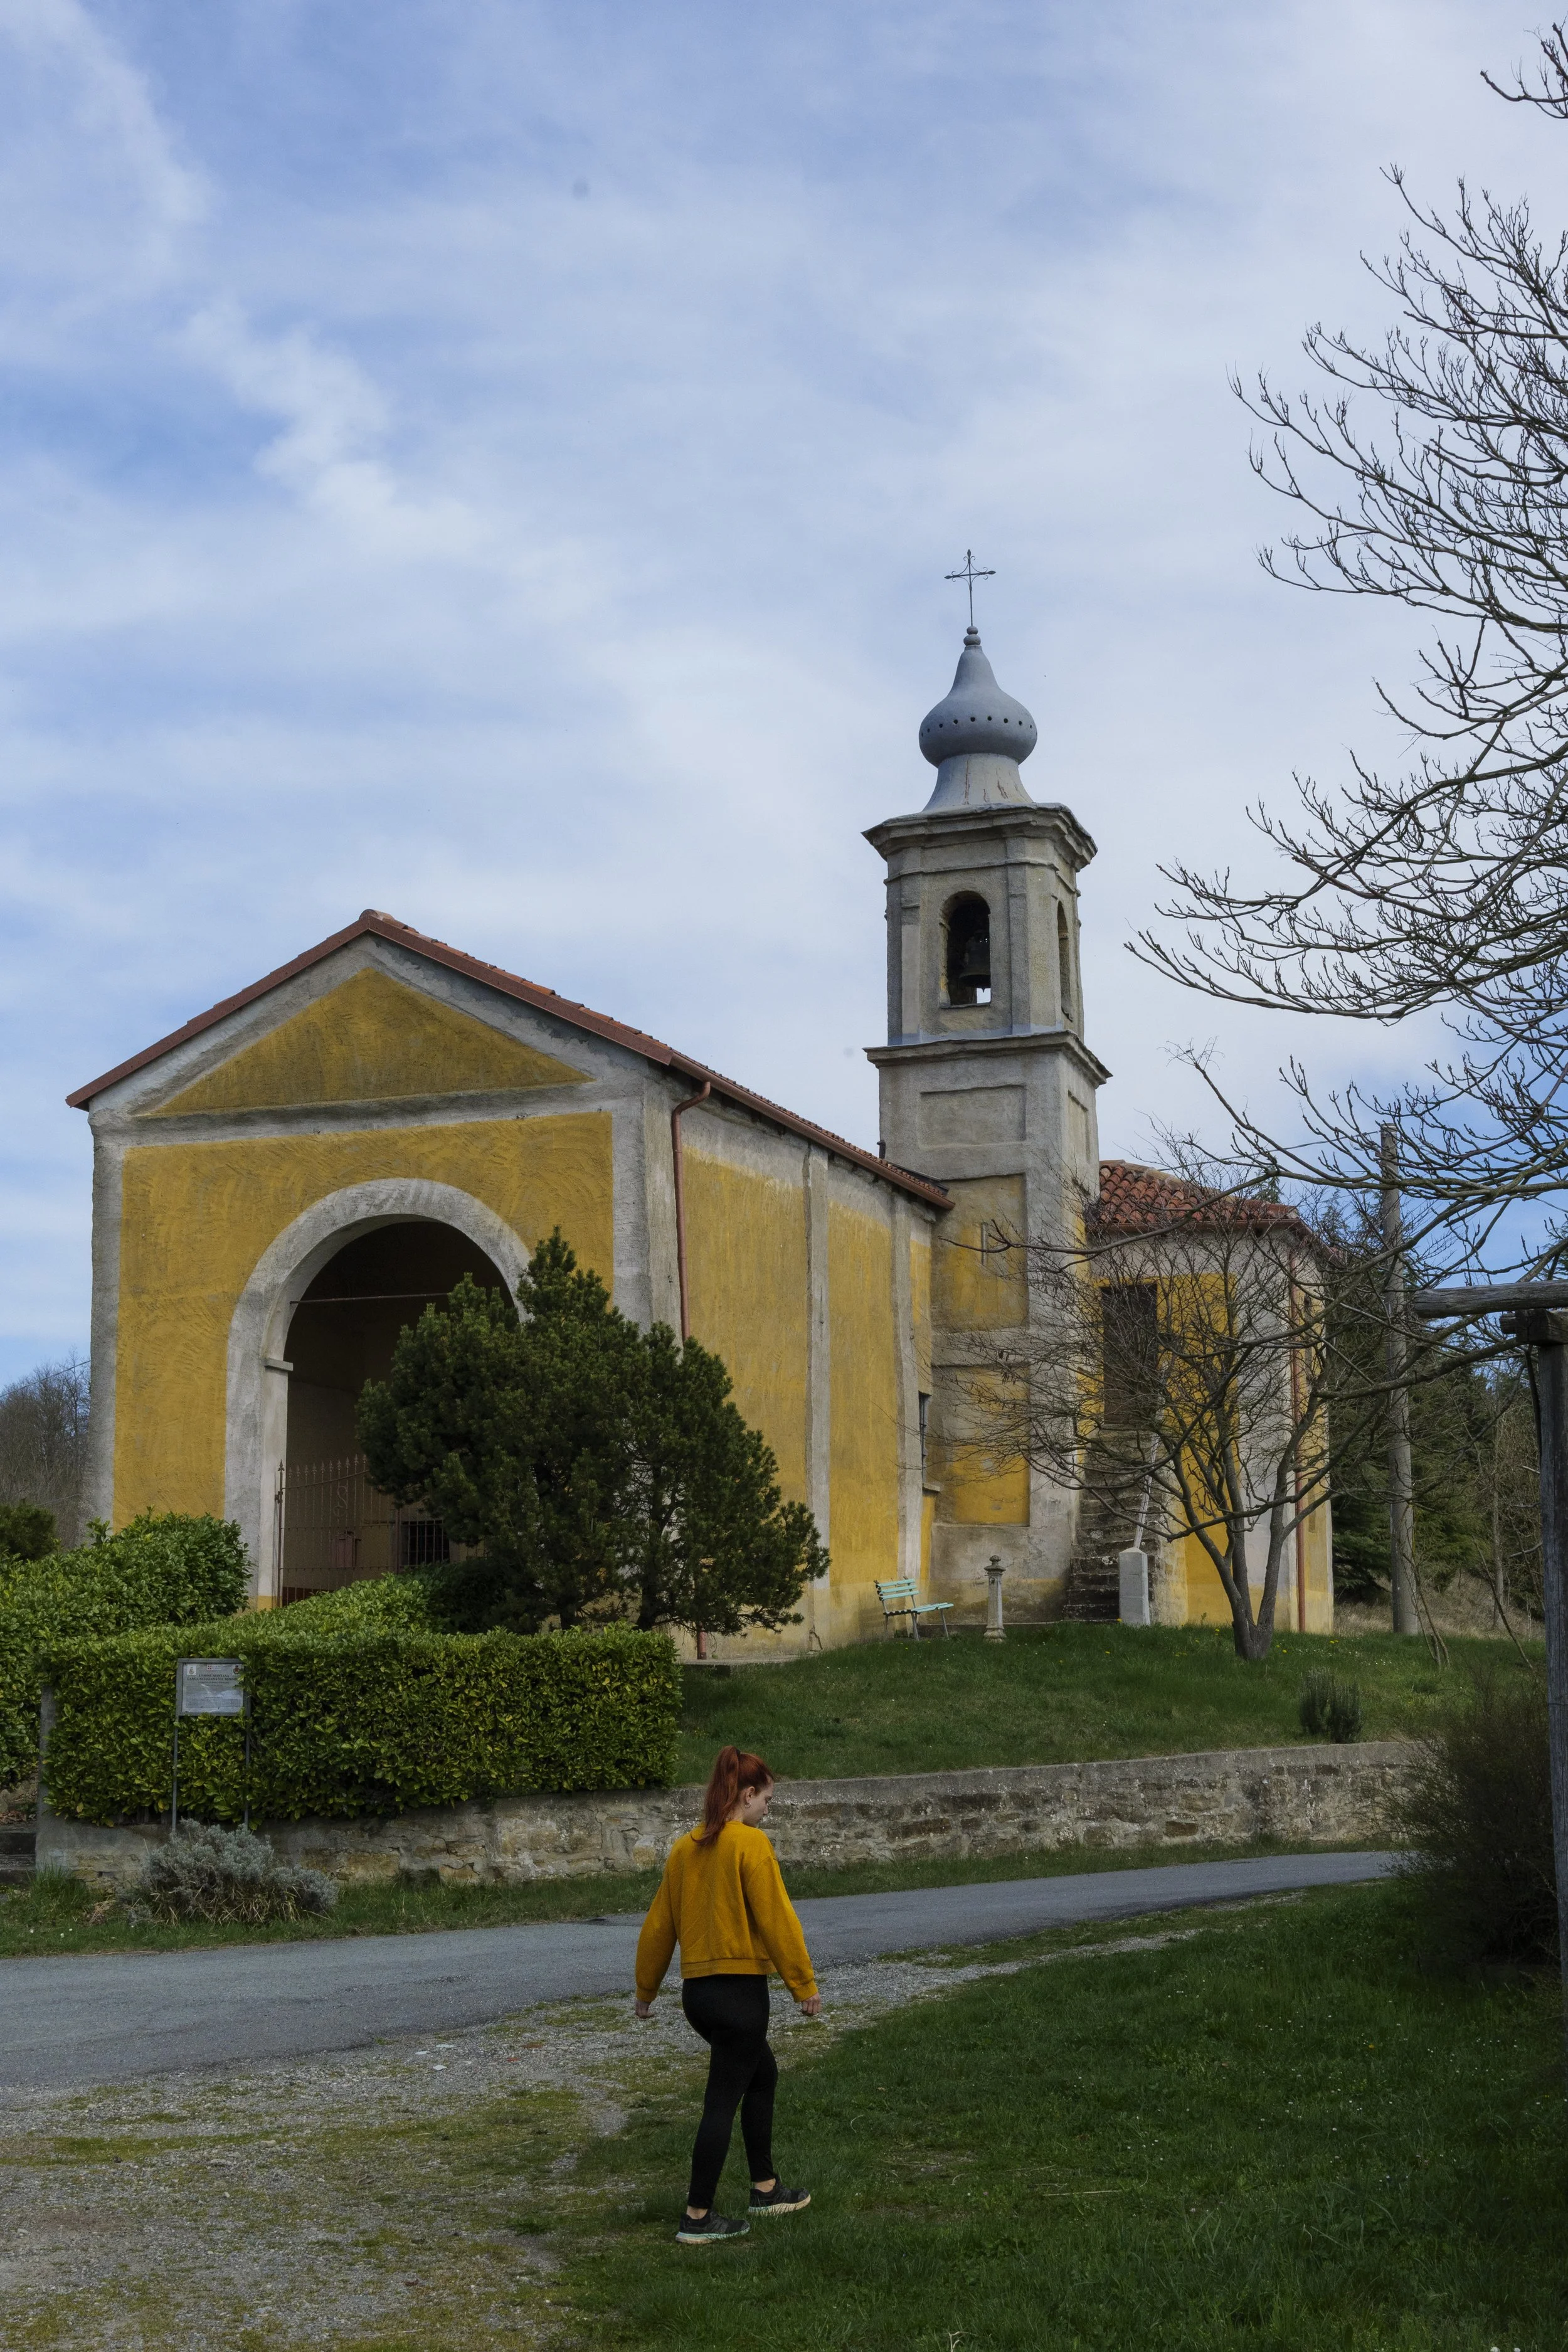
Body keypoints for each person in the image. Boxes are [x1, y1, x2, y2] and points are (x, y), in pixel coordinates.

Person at [635, 1745, 822, 2245]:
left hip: (699, 1996)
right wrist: (803, 1984)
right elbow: (777, 1919)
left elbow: (658, 1927)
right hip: (740, 1996)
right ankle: (697, 2217)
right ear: (747, 1794)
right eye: (767, 1801)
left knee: (762, 2075)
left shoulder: (684, 1849)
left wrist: (646, 1990)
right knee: (721, 2101)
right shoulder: (750, 1845)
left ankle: (766, 2187)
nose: (767, 1811)